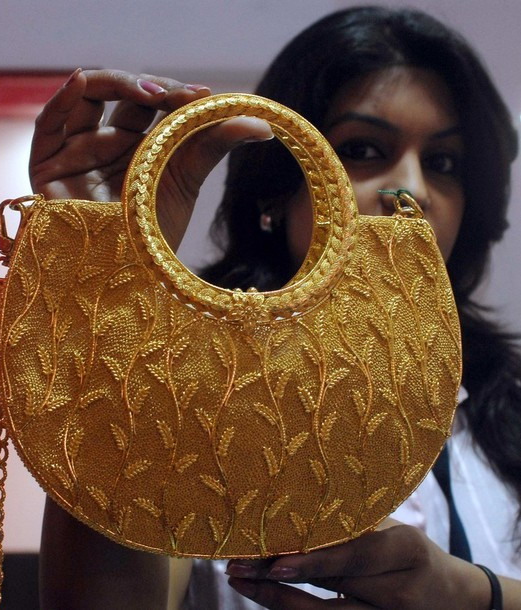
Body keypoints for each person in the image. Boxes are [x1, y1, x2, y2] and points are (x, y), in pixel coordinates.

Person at [29, 6, 521, 609]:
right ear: (275, 191)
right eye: (363, 149)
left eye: (444, 162)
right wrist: (111, 279)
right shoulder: (192, 385)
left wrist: (472, 595)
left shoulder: (506, 402)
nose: (413, 189)